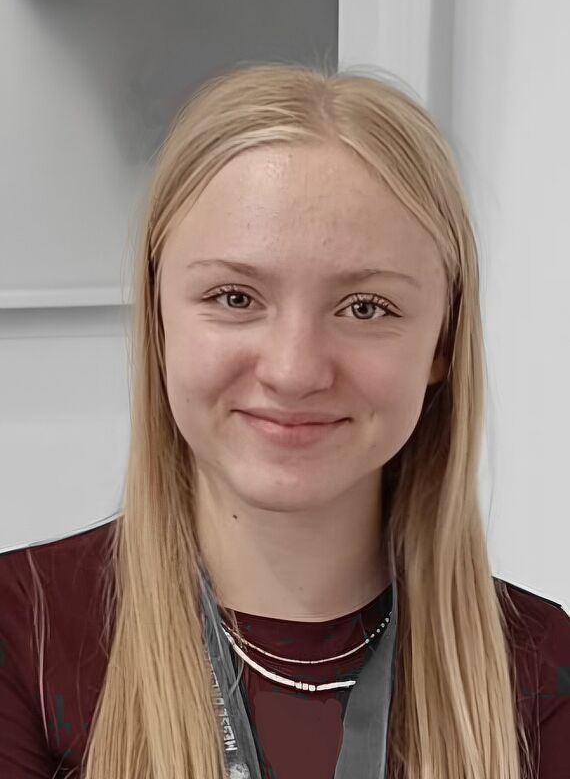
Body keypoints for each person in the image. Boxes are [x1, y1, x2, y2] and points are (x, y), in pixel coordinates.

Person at [1, 62, 568, 779]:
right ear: (159, 320)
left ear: (442, 345)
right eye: (235, 298)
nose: (295, 370)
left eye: (366, 308)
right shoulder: (24, 635)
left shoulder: (541, 672)